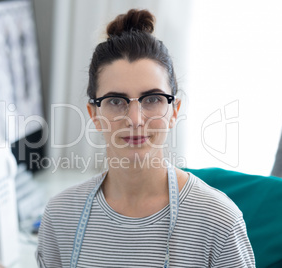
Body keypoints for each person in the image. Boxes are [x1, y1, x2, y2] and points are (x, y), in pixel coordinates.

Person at [36, 9, 255, 267]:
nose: (136, 119)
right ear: (94, 114)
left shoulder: (219, 221)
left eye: (152, 99)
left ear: (174, 111)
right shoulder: (60, 216)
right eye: (116, 101)